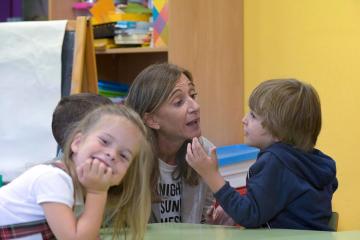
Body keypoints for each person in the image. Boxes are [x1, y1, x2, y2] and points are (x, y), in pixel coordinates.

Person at [186, 79, 338, 230]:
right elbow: (279, 207)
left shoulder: (276, 162)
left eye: (253, 115)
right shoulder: (312, 162)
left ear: (279, 132)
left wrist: (210, 174)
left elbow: (249, 216)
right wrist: (234, 212)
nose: (244, 119)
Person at [0, 105, 152, 240]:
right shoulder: (53, 179)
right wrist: (97, 192)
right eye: (105, 141)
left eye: (124, 156)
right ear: (77, 143)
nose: (112, 154)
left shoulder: (78, 193)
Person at [125, 63, 214, 223]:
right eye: (179, 102)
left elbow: (204, 218)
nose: (195, 107)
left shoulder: (204, 150)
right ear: (151, 120)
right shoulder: (129, 159)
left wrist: (217, 217)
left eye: (193, 96)